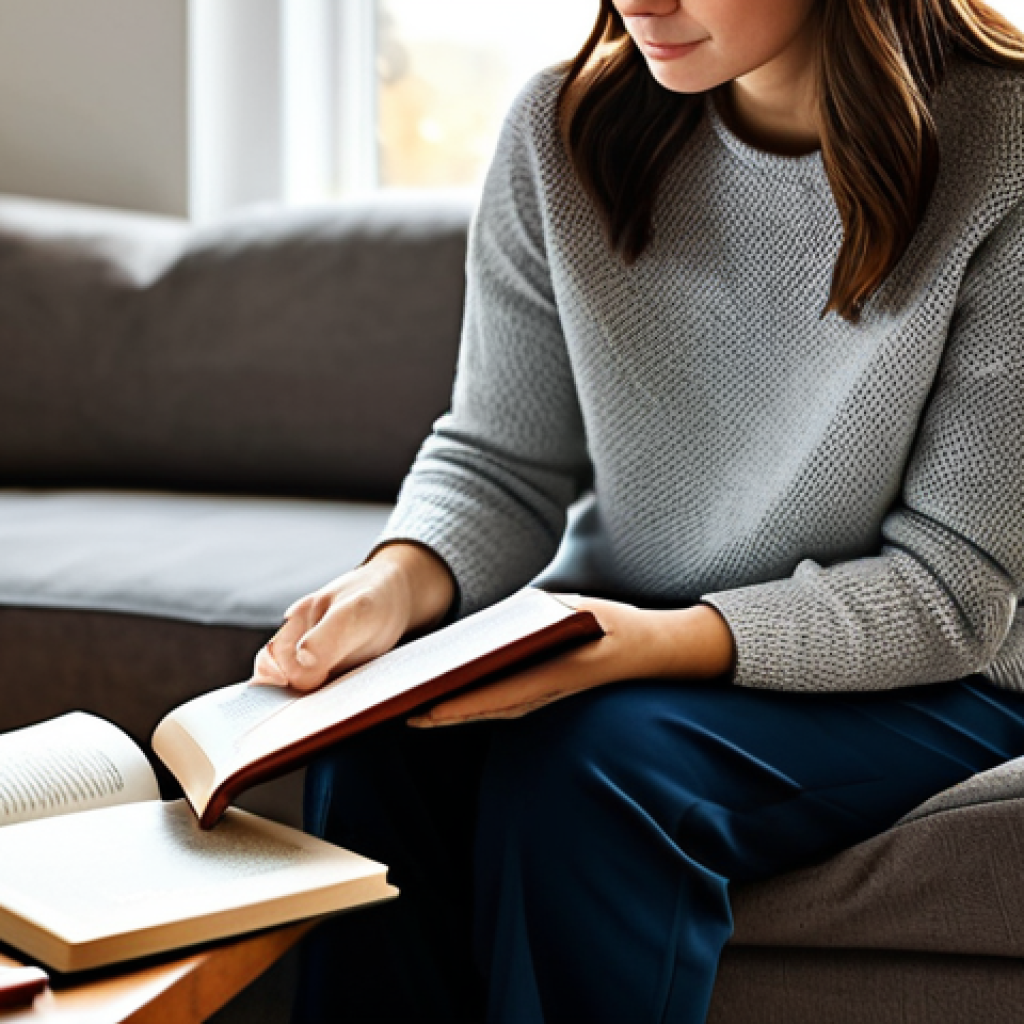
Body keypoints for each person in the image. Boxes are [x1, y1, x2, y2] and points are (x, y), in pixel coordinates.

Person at [257, 0, 1024, 1020]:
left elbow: (954, 592)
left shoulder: (1003, 151)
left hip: (943, 671)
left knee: (599, 768)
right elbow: (498, 456)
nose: (639, 3)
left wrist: (648, 644)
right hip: (640, 634)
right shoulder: (561, 130)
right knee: (378, 737)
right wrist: (390, 584)